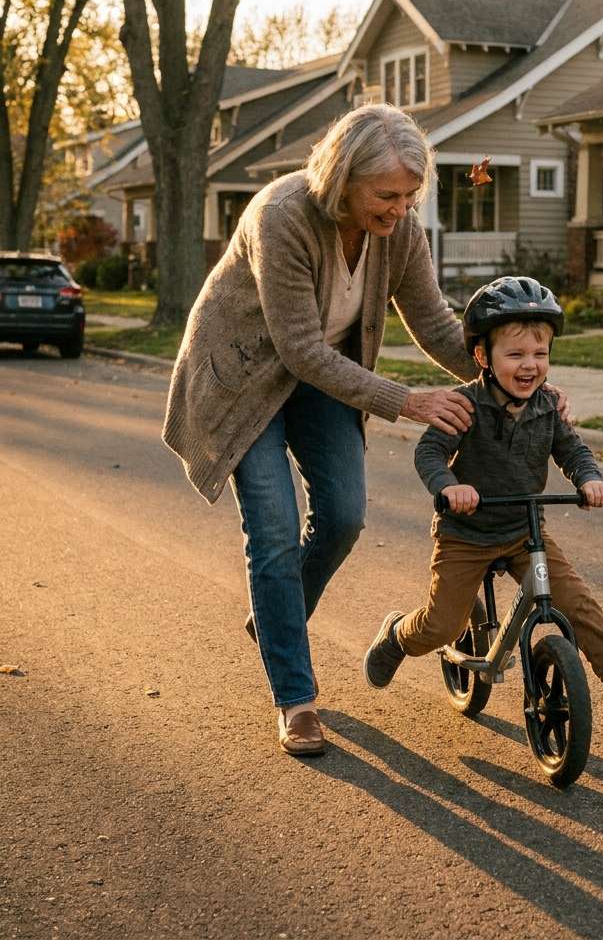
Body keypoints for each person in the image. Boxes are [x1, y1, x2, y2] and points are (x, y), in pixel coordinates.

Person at [162, 103, 488, 757]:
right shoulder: (282, 215)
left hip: (324, 382)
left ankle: (274, 619)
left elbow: (436, 325)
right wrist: (408, 401)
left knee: (343, 517)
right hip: (242, 381)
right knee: (275, 530)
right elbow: (299, 348)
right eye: (386, 195)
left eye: (409, 195)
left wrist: (510, 371)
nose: (399, 209)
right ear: (343, 177)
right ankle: (297, 700)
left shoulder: (400, 231)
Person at [362, 275, 603, 719]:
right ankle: (397, 634)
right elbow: (430, 452)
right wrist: (449, 487)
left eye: (540, 354)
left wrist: (590, 480)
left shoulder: (548, 407)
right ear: (482, 357)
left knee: (576, 602)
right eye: (515, 354)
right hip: (466, 534)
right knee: (443, 625)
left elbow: (574, 451)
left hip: (522, 532)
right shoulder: (464, 405)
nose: (529, 365)